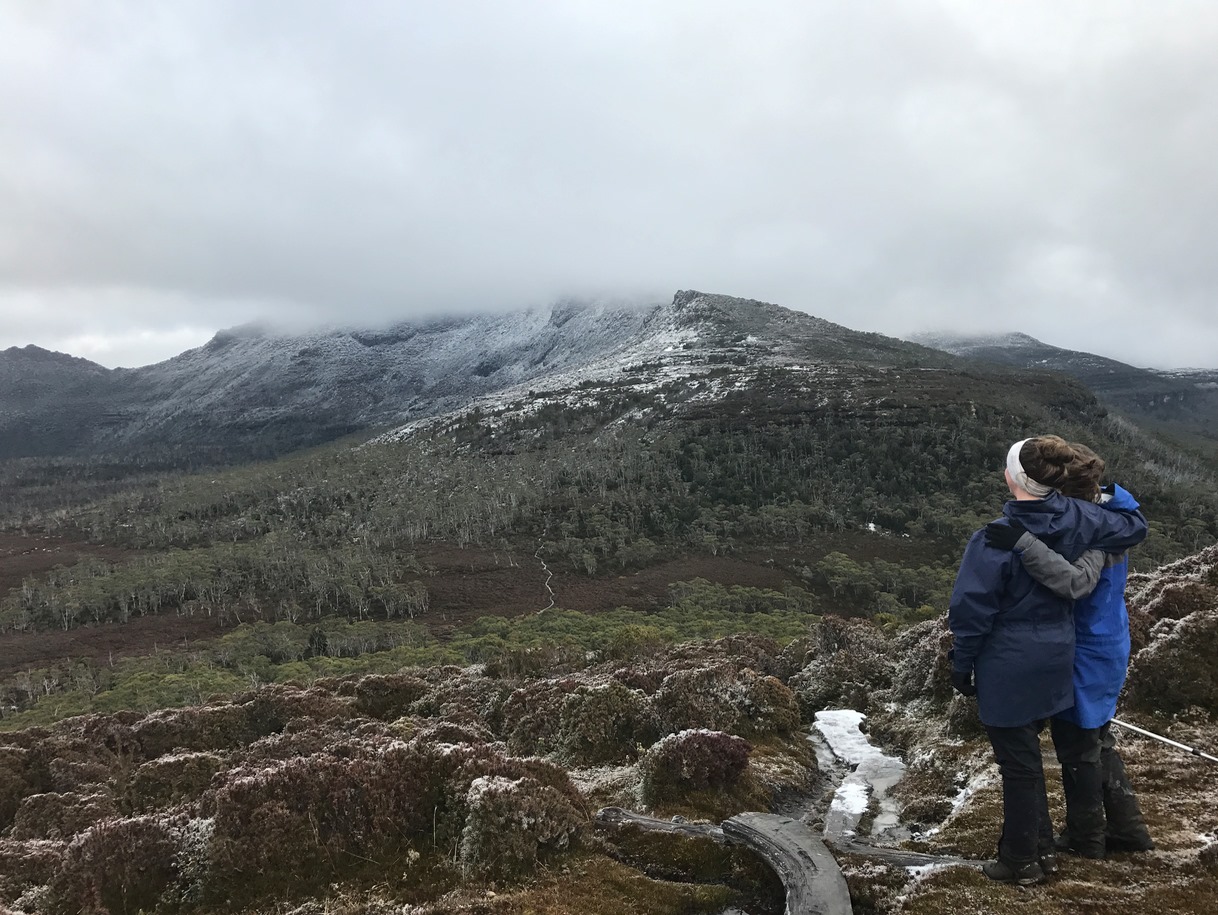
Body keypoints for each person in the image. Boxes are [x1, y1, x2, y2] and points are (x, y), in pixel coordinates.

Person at [948, 435, 1148, 885]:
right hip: (1061, 655)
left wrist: (962, 661)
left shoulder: (993, 538)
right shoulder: (1087, 519)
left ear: (1012, 478)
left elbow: (972, 610)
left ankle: (1023, 859)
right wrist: (1106, 494)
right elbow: (1134, 527)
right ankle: (1064, 844)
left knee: (1022, 762)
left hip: (1015, 660)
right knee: (1060, 748)